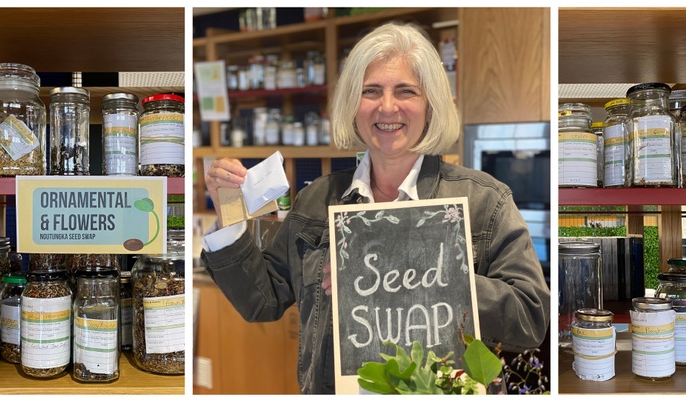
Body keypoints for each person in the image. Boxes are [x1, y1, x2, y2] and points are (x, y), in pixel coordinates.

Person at [201, 22, 550, 394]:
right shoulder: (317, 201)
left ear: (430, 104)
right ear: (353, 104)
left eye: (406, 91)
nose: (387, 106)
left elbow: (529, 319)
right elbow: (262, 301)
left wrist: (409, 275)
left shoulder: (484, 201)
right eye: (371, 91)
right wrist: (229, 212)